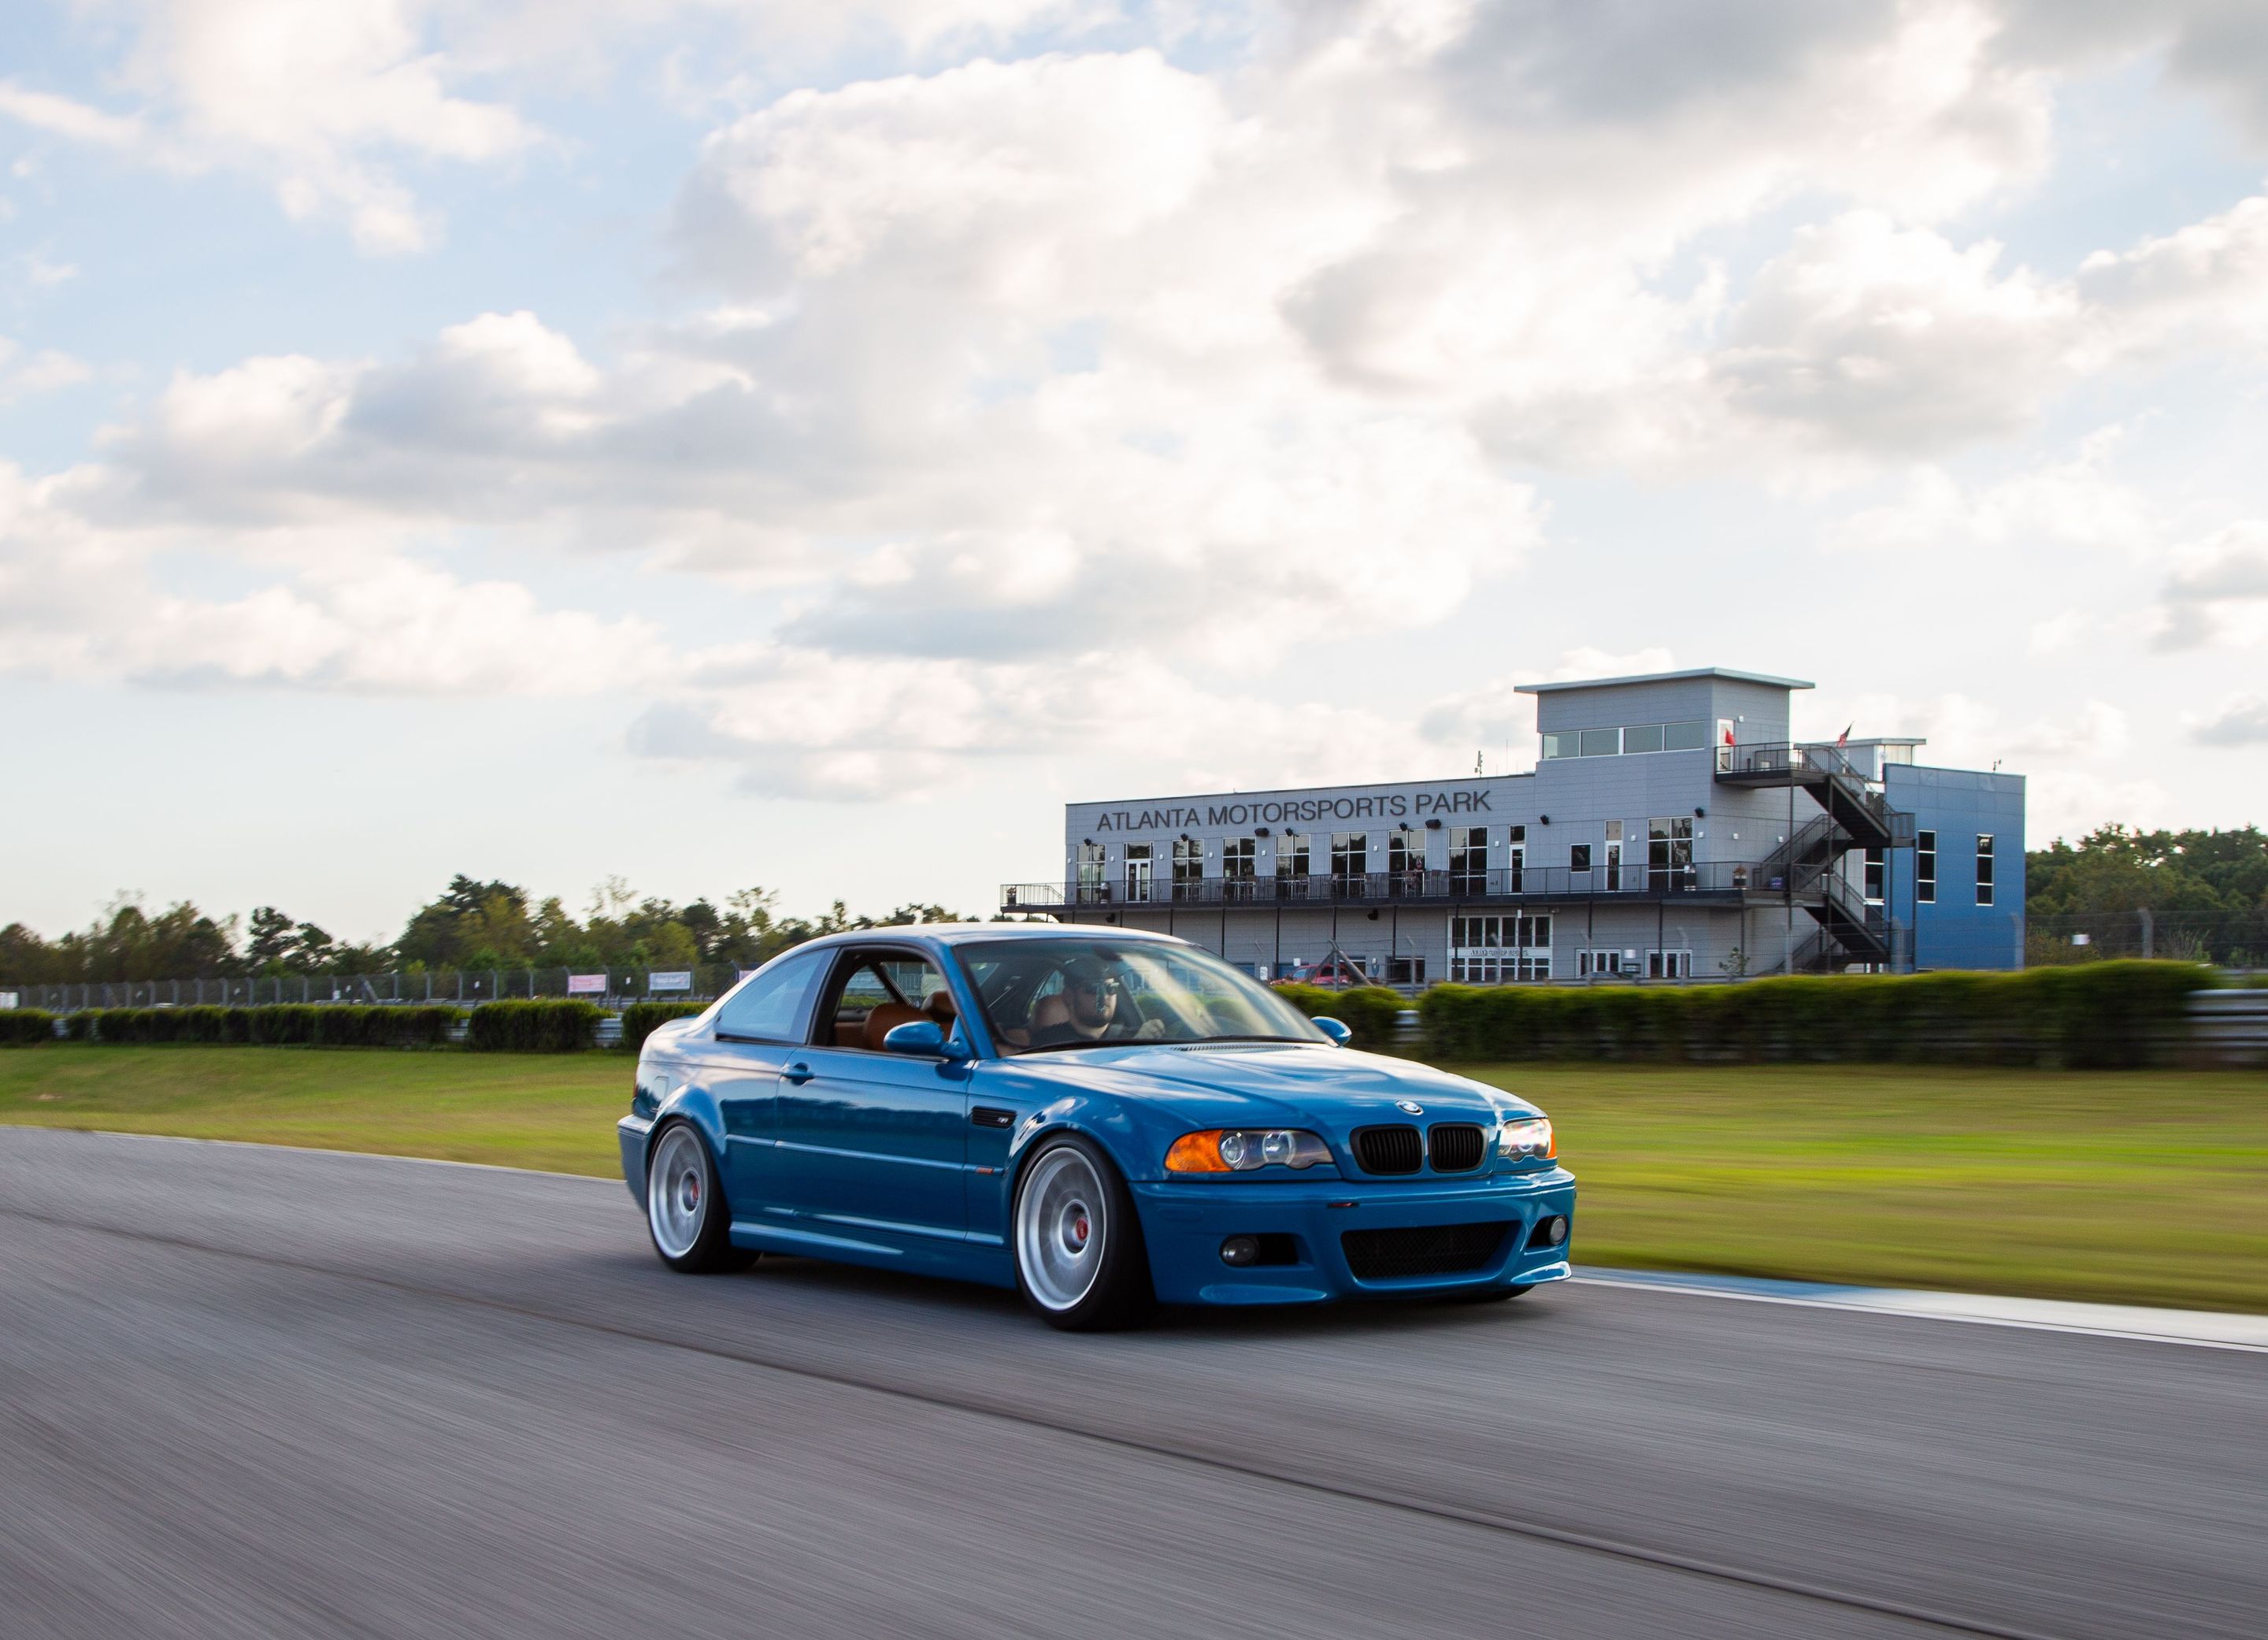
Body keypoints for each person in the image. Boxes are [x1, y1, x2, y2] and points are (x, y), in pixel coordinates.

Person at [1025, 955, 1166, 1048]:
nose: (1104, 996)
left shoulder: (1136, 1036)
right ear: (1069, 996)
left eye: (1111, 988)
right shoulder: (1048, 1042)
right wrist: (1133, 1049)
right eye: (1093, 989)